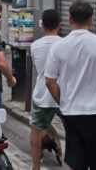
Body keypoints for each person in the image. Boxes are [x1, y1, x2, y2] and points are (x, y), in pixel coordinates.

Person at [44, 0, 96, 170]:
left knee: (76, 161)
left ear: (69, 20)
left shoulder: (58, 47)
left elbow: (49, 80)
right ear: (91, 20)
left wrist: (62, 101)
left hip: (72, 113)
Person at [30, 9, 62, 170]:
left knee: (36, 130)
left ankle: (36, 167)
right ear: (60, 25)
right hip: (62, 96)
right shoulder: (65, 44)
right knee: (73, 132)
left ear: (42, 25)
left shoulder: (35, 46)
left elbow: (38, 68)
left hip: (42, 95)